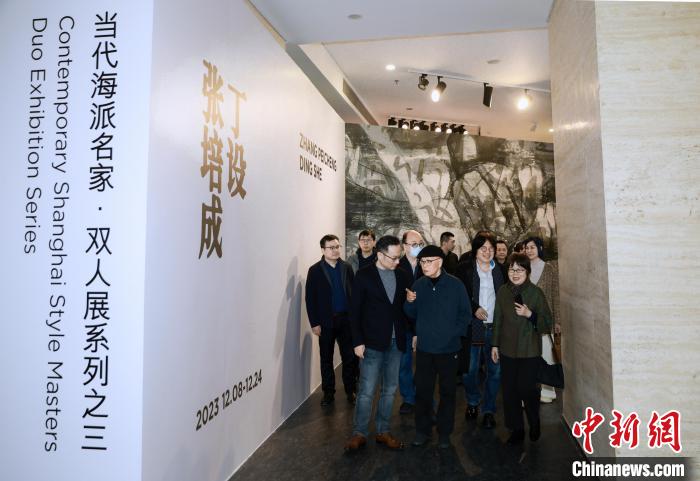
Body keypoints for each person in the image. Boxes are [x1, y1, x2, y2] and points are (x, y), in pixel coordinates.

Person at [344, 235, 412, 452]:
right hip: (371, 342)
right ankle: (359, 433)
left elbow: (405, 309)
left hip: (396, 342)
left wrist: (410, 302)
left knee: (390, 390)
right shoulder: (363, 275)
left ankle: (383, 431)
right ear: (380, 255)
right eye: (394, 258)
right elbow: (354, 312)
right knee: (366, 390)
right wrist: (357, 341)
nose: (397, 261)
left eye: (399, 257)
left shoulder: (402, 275)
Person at [404, 245, 470, 449]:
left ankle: (444, 433)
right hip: (425, 350)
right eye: (422, 262)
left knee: (448, 393)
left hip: (449, 350)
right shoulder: (418, 285)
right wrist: (409, 302)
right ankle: (422, 431)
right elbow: (410, 314)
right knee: (423, 392)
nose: (424, 265)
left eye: (429, 261)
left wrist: (452, 334)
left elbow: (465, 314)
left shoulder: (456, 285)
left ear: (440, 262)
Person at [491, 253, 552, 444]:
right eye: (512, 269)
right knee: (510, 392)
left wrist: (530, 314)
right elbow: (498, 319)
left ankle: (534, 422)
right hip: (507, 349)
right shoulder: (503, 291)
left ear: (527, 272)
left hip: (529, 350)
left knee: (527, 389)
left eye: (520, 269)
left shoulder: (536, 293)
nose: (515, 273)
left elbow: (547, 323)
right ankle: (516, 429)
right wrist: (494, 344)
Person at [455, 232, 505, 429]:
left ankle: (489, 409)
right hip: (472, 327)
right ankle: (473, 401)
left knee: (495, 371)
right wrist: (474, 308)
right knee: (470, 370)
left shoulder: (501, 270)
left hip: (495, 327)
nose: (487, 252)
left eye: (491, 248)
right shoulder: (464, 269)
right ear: (475, 250)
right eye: (483, 248)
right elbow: (459, 297)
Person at [305, 234, 357, 406]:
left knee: (349, 357)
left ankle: (351, 390)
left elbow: (353, 293)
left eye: (337, 247)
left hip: (346, 320)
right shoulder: (315, 270)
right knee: (326, 358)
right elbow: (310, 299)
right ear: (323, 250)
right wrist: (314, 323)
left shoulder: (347, 267)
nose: (335, 250)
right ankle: (328, 393)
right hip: (326, 322)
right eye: (331, 247)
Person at [523, 236, 561, 403]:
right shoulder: (522, 268)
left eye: (532, 247)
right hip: (524, 319)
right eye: (527, 248)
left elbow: (555, 295)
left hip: (545, 319)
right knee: (526, 357)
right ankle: (527, 391)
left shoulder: (549, 268)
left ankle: (547, 391)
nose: (529, 250)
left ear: (539, 248)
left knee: (546, 353)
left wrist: (557, 320)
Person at [396, 230, 424, 414]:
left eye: (420, 243)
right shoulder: (396, 266)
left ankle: (423, 396)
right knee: (404, 363)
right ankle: (408, 398)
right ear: (404, 246)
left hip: (425, 323)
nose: (418, 247)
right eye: (414, 244)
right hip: (403, 323)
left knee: (425, 364)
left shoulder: (428, 264)